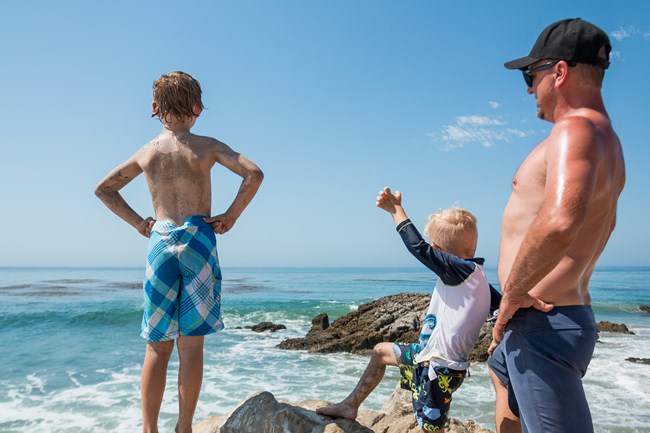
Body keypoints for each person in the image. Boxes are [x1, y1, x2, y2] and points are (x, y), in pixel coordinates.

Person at [94, 71, 263, 433]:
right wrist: (231, 217)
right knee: (191, 347)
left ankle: (149, 429)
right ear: (198, 108)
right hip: (198, 240)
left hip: (160, 239)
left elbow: (104, 189)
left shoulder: (147, 152)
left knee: (156, 347)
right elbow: (254, 174)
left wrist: (140, 223)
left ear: (154, 108)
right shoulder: (206, 147)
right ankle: (184, 427)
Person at [486, 18, 626, 433]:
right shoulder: (608, 140)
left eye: (531, 76)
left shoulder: (575, 129)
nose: (530, 88)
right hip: (556, 317)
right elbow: (605, 224)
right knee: (498, 371)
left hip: (542, 323)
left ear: (559, 72)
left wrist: (511, 296)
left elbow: (561, 220)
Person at [317, 187, 500, 432]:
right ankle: (350, 405)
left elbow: (418, 247)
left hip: (439, 368)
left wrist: (396, 210)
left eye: (434, 249)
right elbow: (502, 306)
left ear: (440, 253)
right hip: (425, 355)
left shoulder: (457, 270)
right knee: (381, 352)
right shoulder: (477, 277)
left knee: (430, 427)